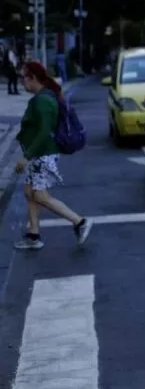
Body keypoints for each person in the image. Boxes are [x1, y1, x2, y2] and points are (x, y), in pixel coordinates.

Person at [13, 61, 93, 250]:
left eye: (24, 78)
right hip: (39, 154)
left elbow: (44, 131)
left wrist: (26, 156)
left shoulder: (43, 100)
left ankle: (79, 222)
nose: (22, 82)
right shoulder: (43, 97)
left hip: (43, 154)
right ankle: (33, 235)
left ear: (32, 78)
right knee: (29, 192)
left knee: (40, 195)